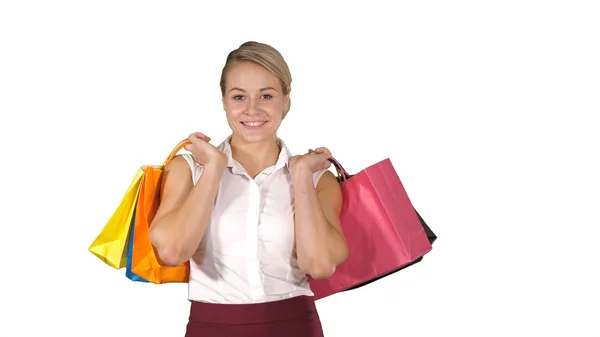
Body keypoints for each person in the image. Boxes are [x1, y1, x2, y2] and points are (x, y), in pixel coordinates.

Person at [148, 41, 349, 337]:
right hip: (211, 328)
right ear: (224, 101)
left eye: (266, 95)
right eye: (239, 96)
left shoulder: (317, 178)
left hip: (295, 327)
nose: (252, 109)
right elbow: (172, 251)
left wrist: (302, 175)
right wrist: (214, 167)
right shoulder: (190, 169)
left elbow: (319, 266)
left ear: (285, 99)